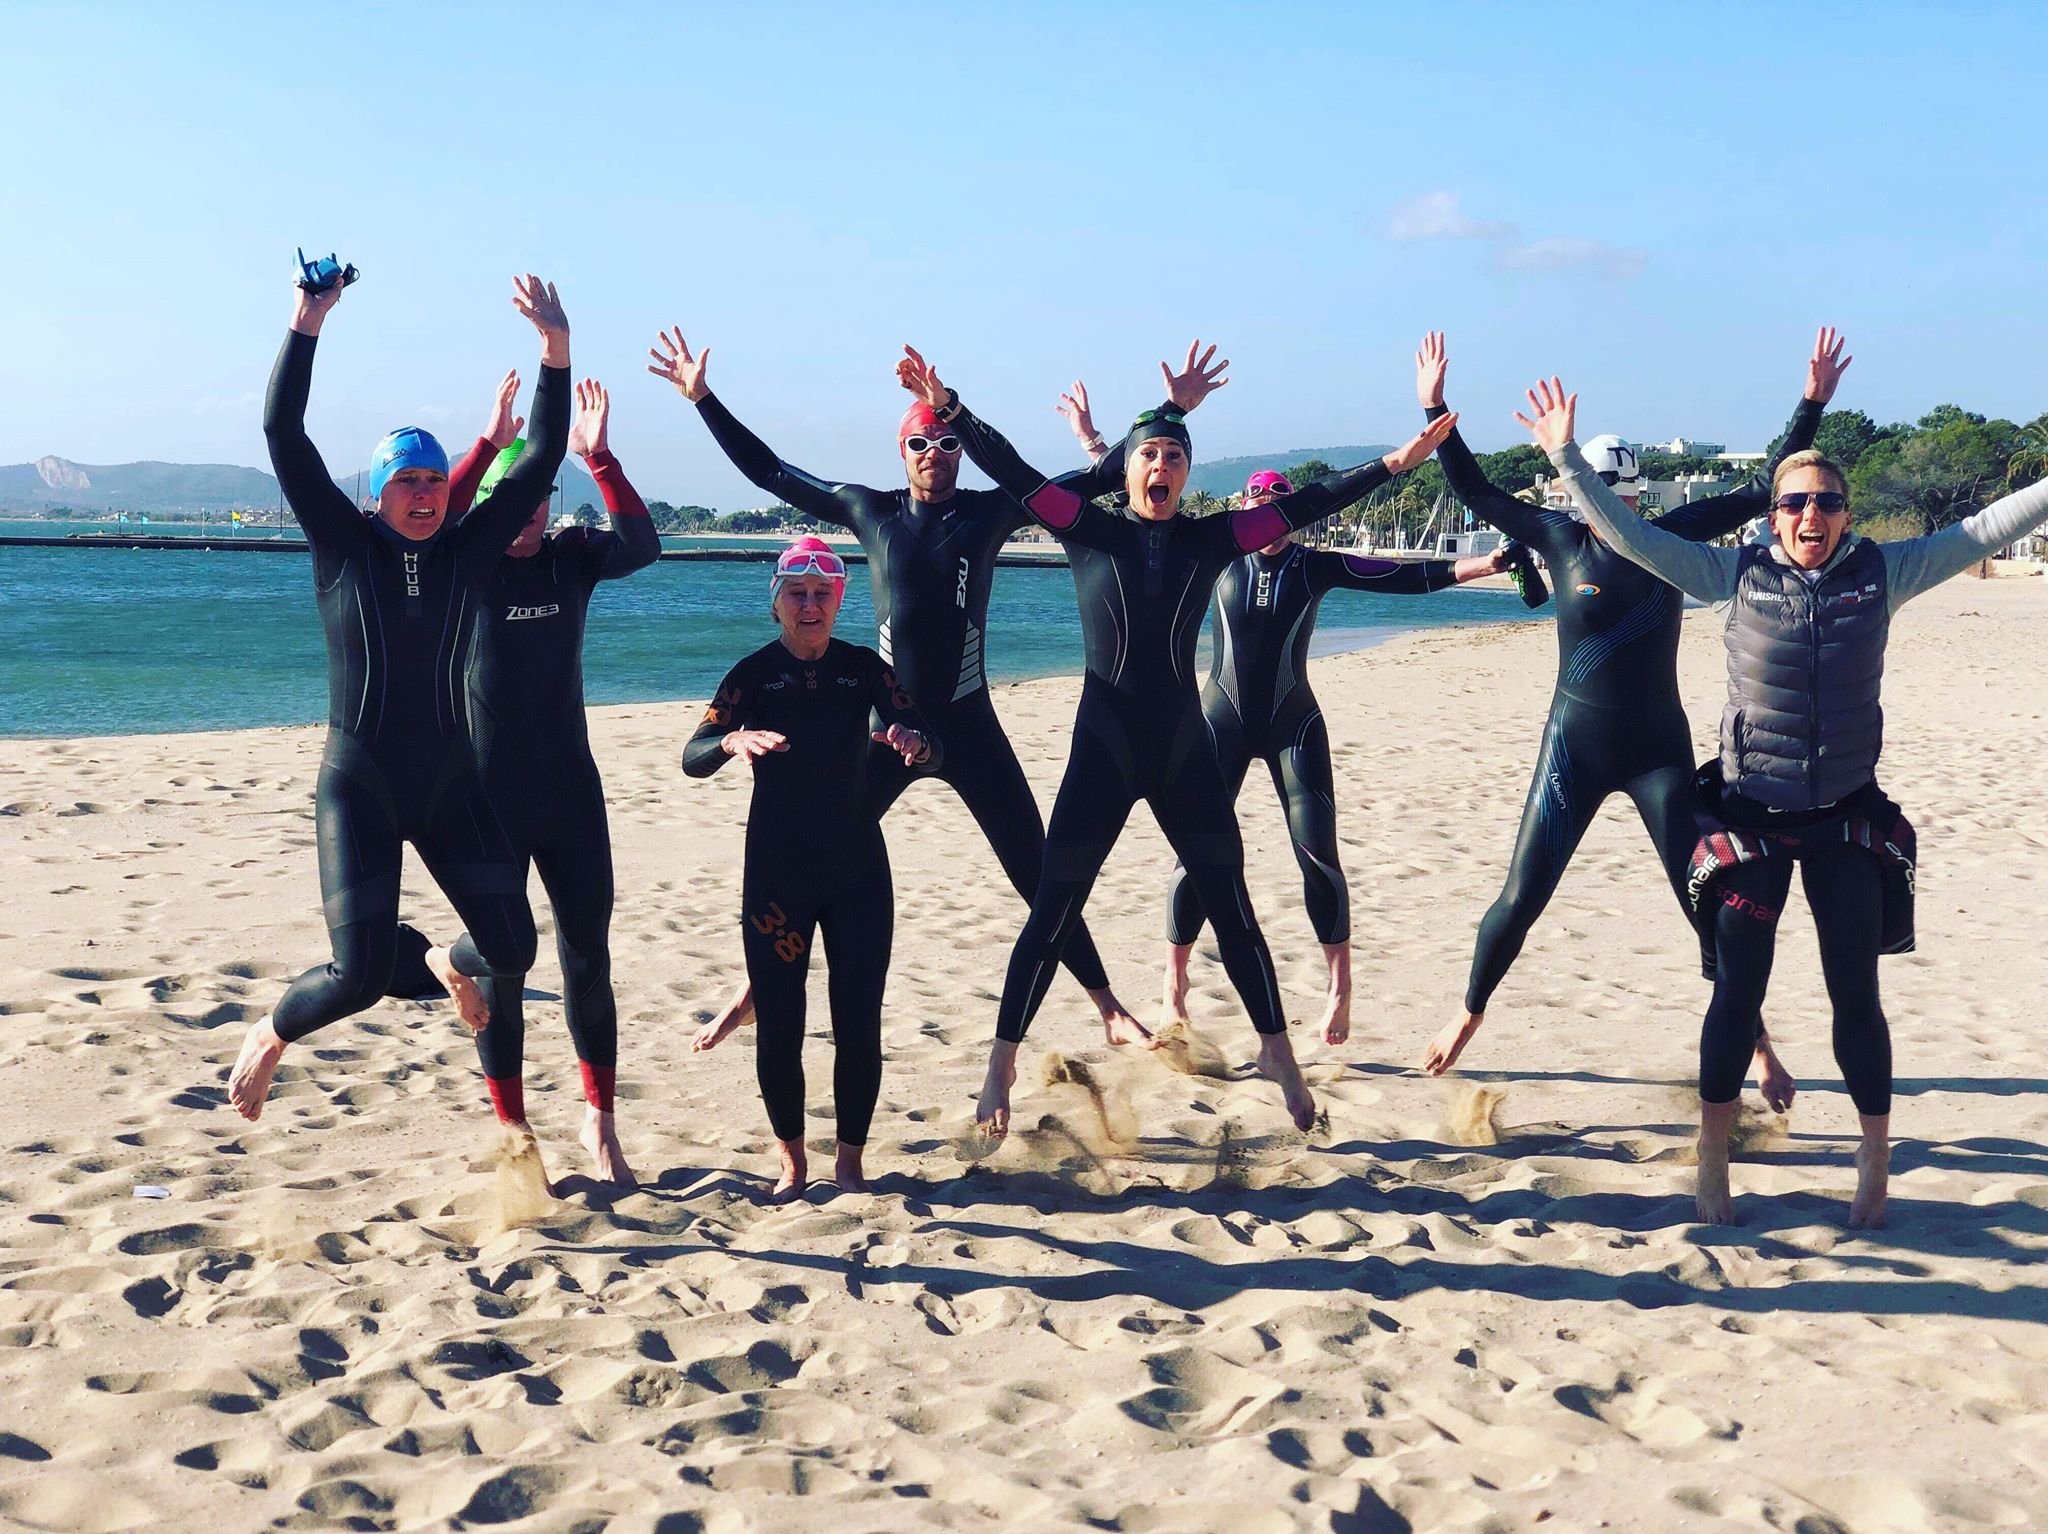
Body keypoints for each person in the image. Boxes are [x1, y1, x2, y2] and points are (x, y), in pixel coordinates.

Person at [1523, 373, 2048, 1226]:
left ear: (1847, 514)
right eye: (1796, 502)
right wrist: (1566, 461)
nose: (1812, 515)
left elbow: (1990, 525)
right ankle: (1712, 1155)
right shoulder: (1731, 575)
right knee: (1736, 992)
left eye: (1827, 502)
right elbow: (1631, 536)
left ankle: (1874, 1158)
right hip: (1749, 820)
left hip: (1844, 818)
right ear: (1774, 516)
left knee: (1855, 995)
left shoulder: (1886, 572)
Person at [897, 345, 1460, 1136]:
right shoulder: (1084, 527)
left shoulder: (1212, 540)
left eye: (1174, 456)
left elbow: (1309, 503)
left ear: (1187, 474)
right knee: (1053, 906)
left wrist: (1395, 462)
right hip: (1103, 749)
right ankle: (1001, 1063)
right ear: (1127, 469)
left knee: (1231, 902)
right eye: (1149, 455)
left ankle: (1278, 1052)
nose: (1160, 465)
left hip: (1181, 751)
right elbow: (1015, 471)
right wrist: (951, 408)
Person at [649, 336, 1226, 1053]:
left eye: (947, 443)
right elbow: (771, 472)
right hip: (890, 728)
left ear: (961, 450)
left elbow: (1103, 478)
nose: (934, 453)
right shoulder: (871, 511)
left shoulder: (991, 512)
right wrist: (703, 399)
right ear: (902, 450)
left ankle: (1106, 1005)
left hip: (970, 727)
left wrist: (1170, 412)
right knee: (814, 853)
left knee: (1037, 867)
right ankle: (754, 994)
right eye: (920, 442)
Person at [1418, 329, 1851, 1105]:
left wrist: (1811, 403)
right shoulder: (1558, 537)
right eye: (1596, 491)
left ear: (1635, 494)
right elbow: (1477, 493)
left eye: (1619, 494)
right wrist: (1435, 407)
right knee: (1522, 894)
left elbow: (1762, 488)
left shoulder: (1670, 539)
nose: (1608, 505)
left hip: (1656, 753)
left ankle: (1759, 1047)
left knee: (1706, 898)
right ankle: (1468, 1011)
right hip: (1574, 746)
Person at [227, 271, 571, 1121]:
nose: (423, 494)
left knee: (513, 947)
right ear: (376, 494)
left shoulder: (469, 551)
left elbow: (541, 457)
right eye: (406, 482)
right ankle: (271, 1032)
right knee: (358, 977)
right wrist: (305, 324)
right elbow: (282, 432)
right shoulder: (344, 546)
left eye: (433, 482)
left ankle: (444, 963)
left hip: (449, 782)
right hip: (361, 784)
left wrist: (555, 354)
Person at [1131, 456, 1507, 1046]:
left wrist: (1483, 565)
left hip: (1293, 725)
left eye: (1280, 503)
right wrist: (1095, 445)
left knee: (1317, 856)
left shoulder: (1313, 566)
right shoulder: (1216, 555)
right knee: (1195, 852)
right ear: (1244, 511)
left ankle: (1339, 989)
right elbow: (1144, 517)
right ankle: (1173, 985)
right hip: (1219, 723)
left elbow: (1397, 576)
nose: (1268, 513)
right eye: (1258, 502)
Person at [386, 374, 659, 1186]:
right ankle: (513, 1132)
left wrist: (600, 459)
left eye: (540, 493)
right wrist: (485, 447)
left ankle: (600, 1124)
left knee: (587, 959)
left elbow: (643, 545)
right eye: (514, 496)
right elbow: (430, 523)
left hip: (570, 791)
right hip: (487, 800)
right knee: (506, 972)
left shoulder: (573, 559)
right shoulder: (462, 565)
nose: (530, 509)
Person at [683, 537, 941, 1200]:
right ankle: (792, 1163)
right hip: (778, 876)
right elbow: (693, 754)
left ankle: (850, 1164)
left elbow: (927, 740)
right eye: (796, 594)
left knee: (858, 1021)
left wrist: (911, 740)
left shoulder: (864, 668)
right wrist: (731, 739)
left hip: (857, 872)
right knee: (781, 1021)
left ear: (838, 601)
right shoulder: (752, 674)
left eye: (823, 593)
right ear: (776, 603)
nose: (810, 604)